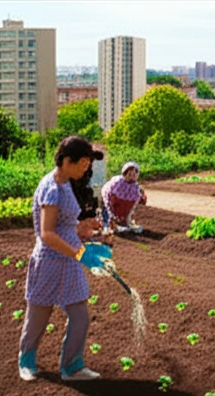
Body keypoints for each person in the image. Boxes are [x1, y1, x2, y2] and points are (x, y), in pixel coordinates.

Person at [19, 136, 111, 382]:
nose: (86, 168)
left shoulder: (68, 183)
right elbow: (48, 233)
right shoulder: (51, 187)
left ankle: (72, 366)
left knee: (79, 314)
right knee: (39, 313)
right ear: (67, 161)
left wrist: (84, 227)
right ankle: (26, 361)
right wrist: (81, 253)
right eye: (83, 163)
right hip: (49, 260)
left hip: (69, 260)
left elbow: (64, 225)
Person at [102, 162, 147, 233]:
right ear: (124, 174)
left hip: (122, 203)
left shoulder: (135, 187)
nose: (132, 177)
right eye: (130, 174)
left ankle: (124, 223)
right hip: (111, 200)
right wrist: (111, 212)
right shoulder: (117, 183)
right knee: (108, 212)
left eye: (135, 175)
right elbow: (110, 197)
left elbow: (133, 203)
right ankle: (108, 225)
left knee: (125, 213)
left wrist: (128, 215)